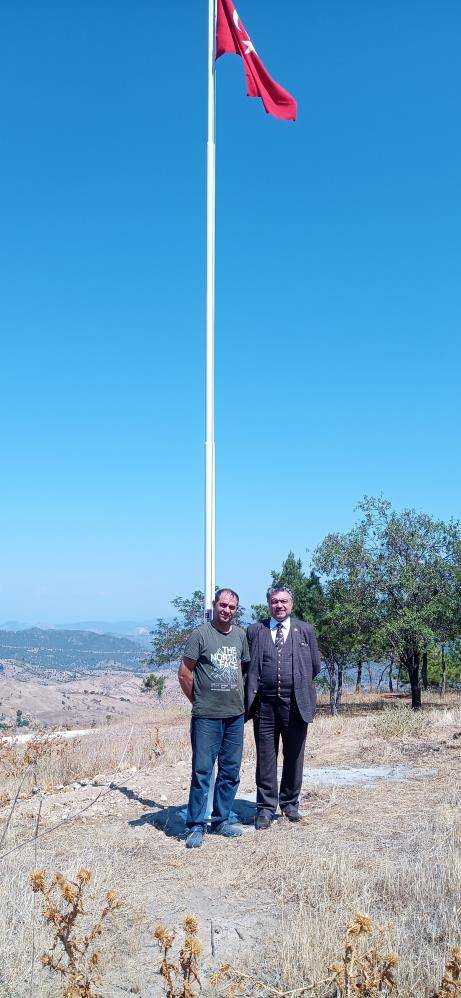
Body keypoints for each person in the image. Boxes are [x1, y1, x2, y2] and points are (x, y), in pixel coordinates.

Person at [178, 588, 250, 849]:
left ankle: (221, 819)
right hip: (206, 717)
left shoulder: (241, 635)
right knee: (202, 771)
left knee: (230, 771)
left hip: (235, 716)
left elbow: (242, 671)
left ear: (236, 609)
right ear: (214, 605)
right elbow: (185, 673)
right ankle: (196, 824)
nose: (227, 610)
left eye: (232, 607)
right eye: (223, 605)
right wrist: (198, 701)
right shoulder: (200, 635)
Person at [246, 585, 321, 829]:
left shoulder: (305, 631)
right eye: (275, 601)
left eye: (284, 601)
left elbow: (314, 666)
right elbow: (248, 666)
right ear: (268, 604)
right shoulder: (255, 630)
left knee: (294, 756)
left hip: (296, 705)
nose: (279, 605)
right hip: (264, 706)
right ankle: (266, 808)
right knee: (266, 758)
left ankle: (289, 804)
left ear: (292, 604)